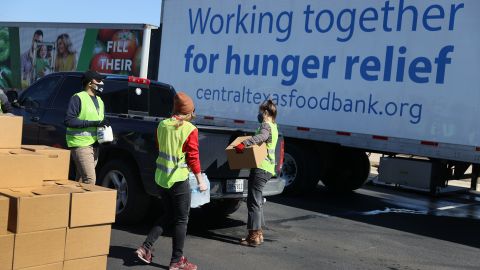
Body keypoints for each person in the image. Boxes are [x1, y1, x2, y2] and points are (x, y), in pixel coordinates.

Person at [135, 92, 207, 270]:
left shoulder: (162, 125)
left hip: (161, 178)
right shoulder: (190, 129)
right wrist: (200, 180)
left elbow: (160, 147)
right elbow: (193, 157)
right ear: (188, 112)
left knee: (168, 215)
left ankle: (145, 248)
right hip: (178, 179)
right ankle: (177, 261)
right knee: (181, 220)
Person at [234, 100, 278, 247]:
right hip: (268, 168)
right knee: (257, 201)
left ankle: (253, 236)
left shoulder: (265, 125)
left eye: (261, 112)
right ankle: (258, 234)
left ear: (266, 113)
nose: (259, 115)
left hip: (261, 167)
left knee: (253, 202)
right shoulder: (275, 127)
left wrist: (244, 143)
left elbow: (261, 137)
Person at [64, 70, 108, 184]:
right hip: (80, 144)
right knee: (90, 180)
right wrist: (94, 123)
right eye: (98, 80)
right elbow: (69, 120)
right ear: (89, 83)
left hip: (94, 145)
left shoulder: (100, 101)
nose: (101, 83)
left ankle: (75, 201)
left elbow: (99, 122)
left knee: (81, 180)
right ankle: (87, 202)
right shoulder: (78, 97)